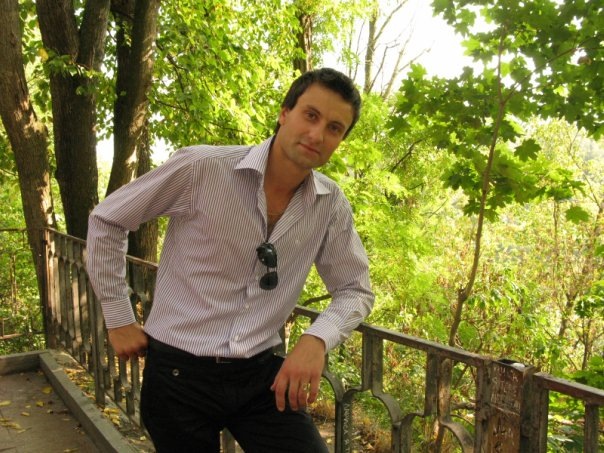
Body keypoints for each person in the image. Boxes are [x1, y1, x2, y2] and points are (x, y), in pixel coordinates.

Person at [86, 67, 374, 453]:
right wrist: (119, 317)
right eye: (311, 115)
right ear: (284, 113)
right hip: (177, 375)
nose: (317, 134)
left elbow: (355, 289)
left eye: (334, 128)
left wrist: (316, 339)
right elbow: (107, 219)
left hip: (260, 374)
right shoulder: (201, 168)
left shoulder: (330, 204)